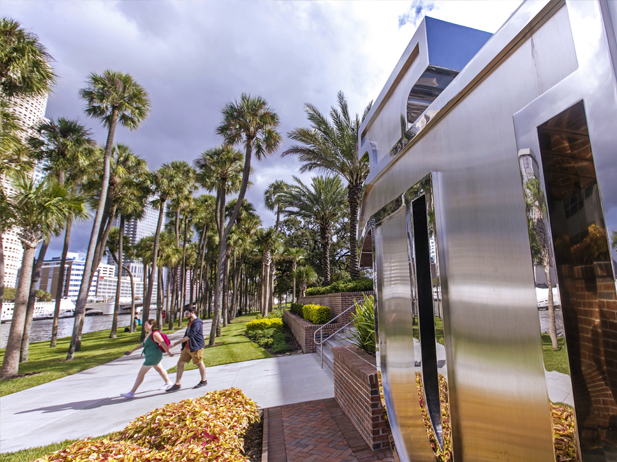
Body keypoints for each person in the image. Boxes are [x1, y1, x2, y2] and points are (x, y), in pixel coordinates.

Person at [121, 319, 174, 399]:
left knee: (141, 374)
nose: (144, 326)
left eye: (146, 325)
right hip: (150, 355)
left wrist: (168, 352)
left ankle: (132, 393)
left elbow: (162, 342)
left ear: (151, 325)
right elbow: (143, 344)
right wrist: (132, 350)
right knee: (159, 369)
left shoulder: (155, 334)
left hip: (154, 356)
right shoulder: (149, 334)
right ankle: (168, 382)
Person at [166, 306, 207, 392]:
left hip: (196, 347)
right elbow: (186, 335)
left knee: (199, 363)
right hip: (187, 347)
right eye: (185, 314)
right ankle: (177, 384)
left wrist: (175, 343)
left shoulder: (197, 322)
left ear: (192, 312)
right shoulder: (190, 322)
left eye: (187, 313)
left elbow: (189, 336)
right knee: (180, 363)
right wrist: (183, 346)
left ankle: (203, 381)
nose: (186, 315)